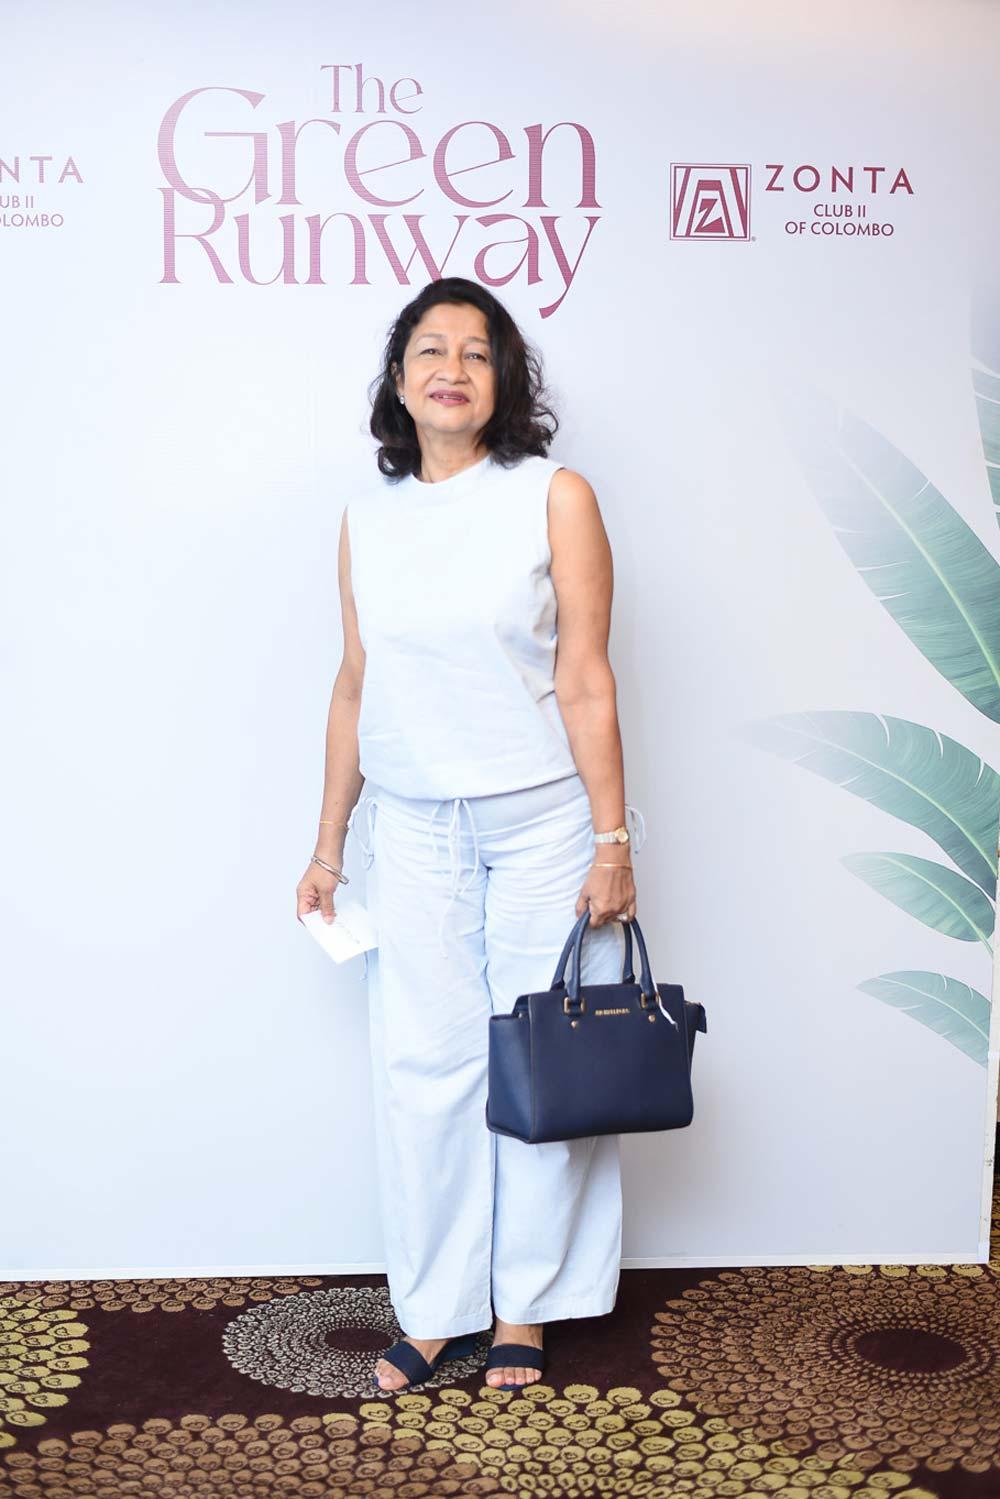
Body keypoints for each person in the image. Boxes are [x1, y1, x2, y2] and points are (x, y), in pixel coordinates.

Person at [296, 275, 646, 1395]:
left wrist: (612, 839)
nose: (453, 367)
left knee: (539, 1058)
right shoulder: (367, 519)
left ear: (504, 382)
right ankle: (436, 1306)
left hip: (542, 821)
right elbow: (356, 683)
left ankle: (524, 1304)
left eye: (478, 352)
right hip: (413, 825)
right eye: (431, 350)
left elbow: (585, 676)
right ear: (400, 382)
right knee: (425, 1068)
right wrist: (328, 844)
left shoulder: (554, 496)